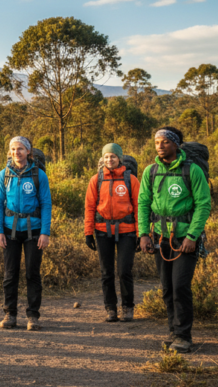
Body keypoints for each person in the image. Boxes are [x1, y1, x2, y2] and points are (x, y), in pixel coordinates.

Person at [138, 127, 210, 354]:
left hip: (185, 239)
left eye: (165, 142)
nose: (160, 146)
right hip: (160, 237)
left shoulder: (193, 171)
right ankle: (173, 331)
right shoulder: (150, 171)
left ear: (176, 145)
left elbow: (203, 205)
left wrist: (192, 236)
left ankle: (183, 336)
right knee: (167, 287)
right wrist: (143, 234)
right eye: (157, 142)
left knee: (180, 286)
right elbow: (143, 204)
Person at [0, 136, 52, 331]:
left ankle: (33, 316)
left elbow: (45, 204)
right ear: (9, 152)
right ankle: (10, 314)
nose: (16, 152)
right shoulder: (4, 175)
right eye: (13, 149)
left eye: (20, 149)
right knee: (10, 274)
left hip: (34, 231)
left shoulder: (39, 176)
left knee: (32, 274)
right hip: (10, 231)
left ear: (28, 152)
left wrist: (45, 232)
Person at [84, 143, 139, 323]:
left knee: (124, 271)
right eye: (106, 157)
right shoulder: (96, 180)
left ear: (120, 158)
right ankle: (110, 309)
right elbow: (90, 207)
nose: (110, 160)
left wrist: (141, 233)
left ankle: (128, 308)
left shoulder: (131, 180)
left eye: (113, 157)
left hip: (127, 232)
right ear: (102, 159)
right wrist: (88, 232)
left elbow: (139, 207)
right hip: (102, 231)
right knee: (106, 272)